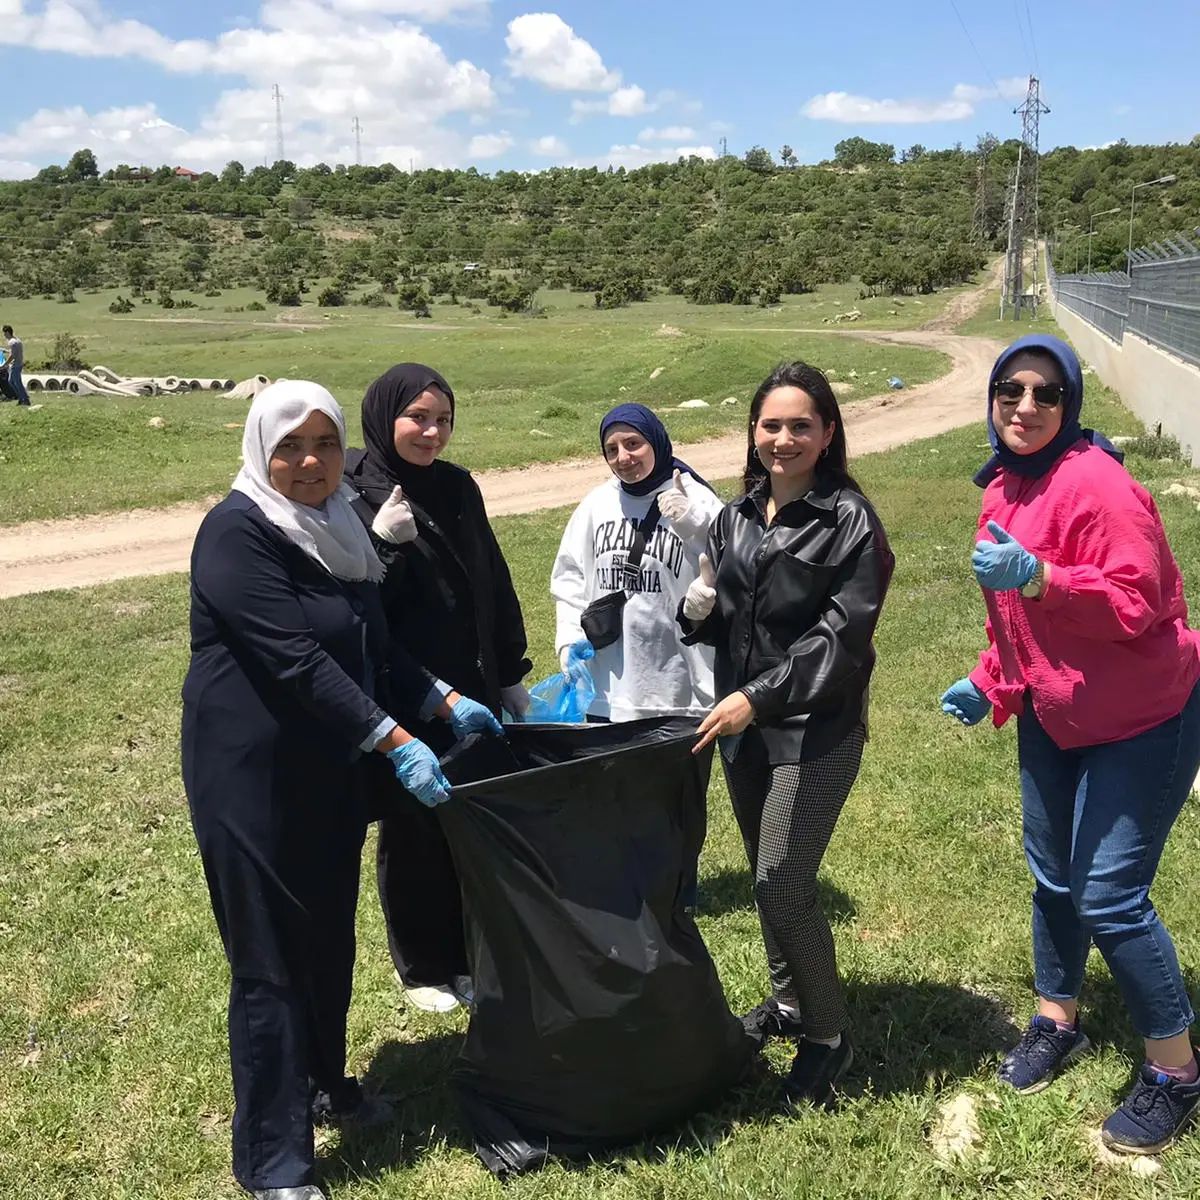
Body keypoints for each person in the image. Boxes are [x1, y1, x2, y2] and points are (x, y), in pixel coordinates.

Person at [183, 380, 499, 1200]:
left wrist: (441, 699)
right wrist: (397, 739)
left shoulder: (338, 527)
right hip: (251, 780)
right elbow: (297, 660)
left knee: (327, 943)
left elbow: (373, 643)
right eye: (290, 446)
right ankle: (272, 1162)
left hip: (329, 771)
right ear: (261, 450)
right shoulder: (236, 533)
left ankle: (327, 1086)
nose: (310, 462)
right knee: (270, 964)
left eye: (324, 445)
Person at [940, 334, 1200, 1155]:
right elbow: (1011, 619)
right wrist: (991, 679)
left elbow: (1139, 602)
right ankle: (1059, 1019)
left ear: (1070, 405)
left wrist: (1044, 576)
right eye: (1009, 389)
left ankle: (1176, 1071)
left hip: (1146, 717)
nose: (1024, 406)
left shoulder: (1098, 483)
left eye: (1045, 393)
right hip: (1059, 715)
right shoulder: (1003, 491)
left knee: (1110, 895)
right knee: (1054, 877)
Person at [678, 361, 894, 1106]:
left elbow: (840, 643)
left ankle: (828, 1034)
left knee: (779, 880)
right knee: (770, 880)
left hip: (814, 729)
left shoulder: (850, 523)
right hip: (745, 728)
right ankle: (791, 1001)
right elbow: (724, 620)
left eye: (801, 424)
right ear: (753, 431)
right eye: (771, 424)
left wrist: (755, 699)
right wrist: (694, 607)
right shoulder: (735, 517)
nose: (784, 438)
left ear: (828, 433)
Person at [344, 363, 532, 1015]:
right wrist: (382, 547)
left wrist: (509, 672)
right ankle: (422, 963)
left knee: (468, 823)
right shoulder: (354, 490)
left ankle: (469, 951)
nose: (431, 432)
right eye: (417, 417)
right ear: (385, 414)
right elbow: (353, 612)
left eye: (443, 420)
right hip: (401, 689)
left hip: (469, 687)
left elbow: (492, 580)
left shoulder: (457, 487)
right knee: (412, 829)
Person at [551, 402, 724, 723]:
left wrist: (694, 523)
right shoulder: (597, 503)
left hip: (677, 687)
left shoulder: (693, 497)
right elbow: (569, 576)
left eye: (633, 444)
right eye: (612, 449)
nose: (623, 458)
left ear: (655, 441)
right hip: (608, 690)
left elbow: (730, 563)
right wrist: (568, 638)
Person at [3, 325, 29, 406]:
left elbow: (12, 356)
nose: (4, 335)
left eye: (4, 333)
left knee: (15, 383)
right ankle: (22, 398)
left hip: (15, 365)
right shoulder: (17, 340)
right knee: (14, 382)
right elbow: (14, 352)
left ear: (7, 333)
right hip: (19, 363)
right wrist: (6, 351)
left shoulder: (11, 342)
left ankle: (24, 399)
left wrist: (5, 364)